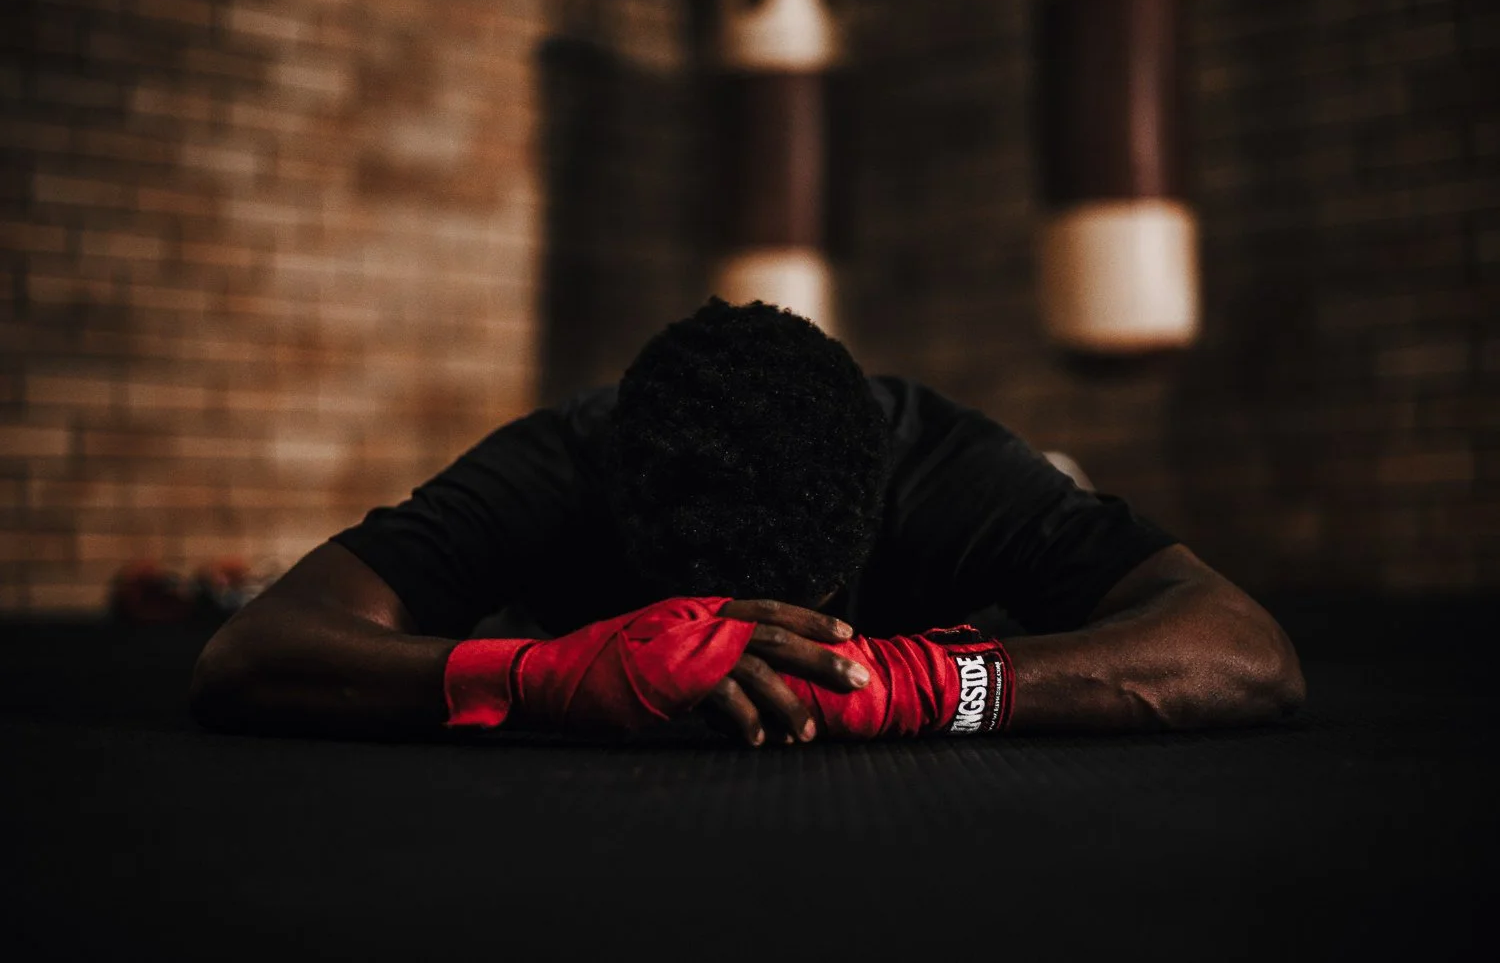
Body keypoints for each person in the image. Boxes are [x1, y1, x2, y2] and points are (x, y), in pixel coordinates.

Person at [190, 299, 1304, 743]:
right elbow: (250, 650)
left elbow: (1247, 648)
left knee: (1050, 514)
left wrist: (926, 681)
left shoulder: (938, 464)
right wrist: (538, 671)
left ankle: (1062, 506)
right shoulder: (567, 459)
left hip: (984, 524)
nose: (750, 646)